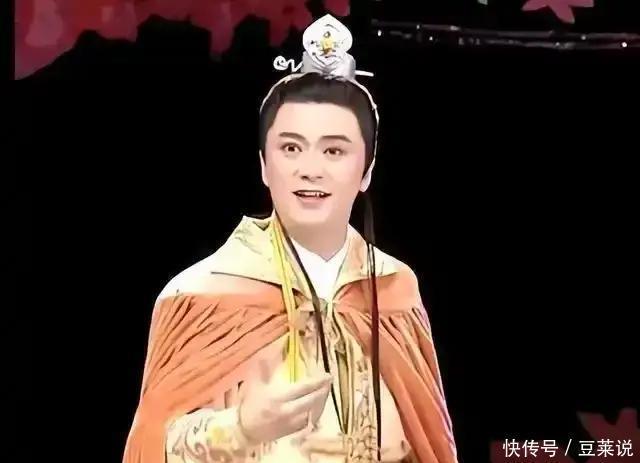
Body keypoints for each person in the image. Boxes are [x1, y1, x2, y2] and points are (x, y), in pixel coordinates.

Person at [123, 14, 457, 463]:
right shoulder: (201, 293)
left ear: (367, 170)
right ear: (264, 165)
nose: (310, 169)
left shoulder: (395, 288)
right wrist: (240, 429)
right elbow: (152, 446)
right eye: (291, 148)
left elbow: (429, 437)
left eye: (334, 150)